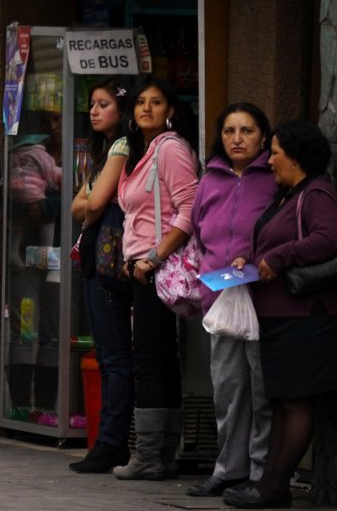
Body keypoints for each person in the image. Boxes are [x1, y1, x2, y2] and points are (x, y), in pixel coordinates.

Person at [224, 121, 337, 509]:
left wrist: (278, 256)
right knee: (281, 401)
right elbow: (270, 244)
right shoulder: (286, 196)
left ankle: (274, 488)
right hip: (278, 314)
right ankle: (270, 486)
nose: (270, 158)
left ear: (296, 156)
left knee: (295, 402)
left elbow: (328, 238)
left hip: (307, 315)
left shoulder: (317, 193)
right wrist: (251, 258)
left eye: (275, 151)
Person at [186, 103, 277, 496]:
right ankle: (229, 469)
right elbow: (196, 229)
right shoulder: (211, 177)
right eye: (229, 131)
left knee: (262, 389)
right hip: (220, 297)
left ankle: (262, 473)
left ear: (263, 136)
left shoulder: (274, 176)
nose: (237, 139)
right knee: (227, 388)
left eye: (247, 131)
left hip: (263, 296)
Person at [112, 77, 199, 481]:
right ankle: (162, 454)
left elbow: (189, 207)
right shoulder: (140, 153)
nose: (147, 108)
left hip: (159, 269)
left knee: (150, 360)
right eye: (141, 102)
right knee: (159, 357)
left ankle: (149, 455)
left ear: (170, 110)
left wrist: (151, 258)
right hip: (142, 269)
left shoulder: (171, 148)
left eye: (156, 101)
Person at [68, 78, 134, 473]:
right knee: (109, 355)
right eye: (92, 103)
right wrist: (90, 204)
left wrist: (90, 205)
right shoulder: (103, 149)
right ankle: (107, 442)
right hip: (98, 258)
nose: (94, 110)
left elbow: (93, 202)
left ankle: (111, 443)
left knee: (115, 358)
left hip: (113, 263)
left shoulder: (123, 147)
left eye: (103, 104)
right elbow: (80, 204)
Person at [7, 134, 61, 267]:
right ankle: (47, 251)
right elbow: (51, 173)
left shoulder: (14, 154)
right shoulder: (41, 155)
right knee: (48, 218)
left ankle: (13, 249)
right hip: (33, 193)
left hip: (15, 194)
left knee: (19, 225)